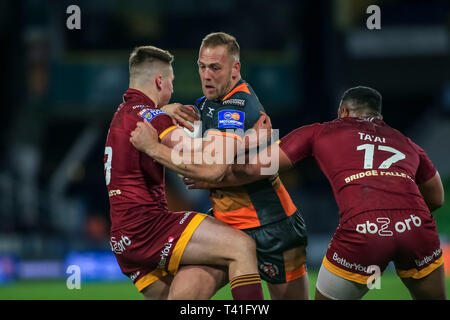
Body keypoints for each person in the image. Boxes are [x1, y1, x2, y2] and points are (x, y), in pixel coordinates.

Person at [184, 86, 446, 300]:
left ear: (342, 111)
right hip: (416, 226)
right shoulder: (406, 141)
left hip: (363, 229)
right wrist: (401, 221)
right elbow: (437, 198)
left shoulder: (322, 131)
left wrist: (213, 175)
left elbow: (258, 168)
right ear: (380, 116)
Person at [131, 32, 309, 300]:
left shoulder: (237, 104)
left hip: (271, 227)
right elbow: (196, 154)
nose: (206, 75)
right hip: (226, 228)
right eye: (201, 66)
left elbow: (214, 167)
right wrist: (164, 111)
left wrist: (206, 178)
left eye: (215, 67)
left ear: (235, 68)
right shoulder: (206, 105)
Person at [104, 45, 265, 300]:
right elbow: (205, 164)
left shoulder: (121, 114)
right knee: (241, 246)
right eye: (171, 82)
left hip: (123, 238)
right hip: (149, 228)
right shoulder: (153, 118)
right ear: (160, 81)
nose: (172, 89)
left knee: (198, 279)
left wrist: (163, 112)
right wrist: (246, 139)